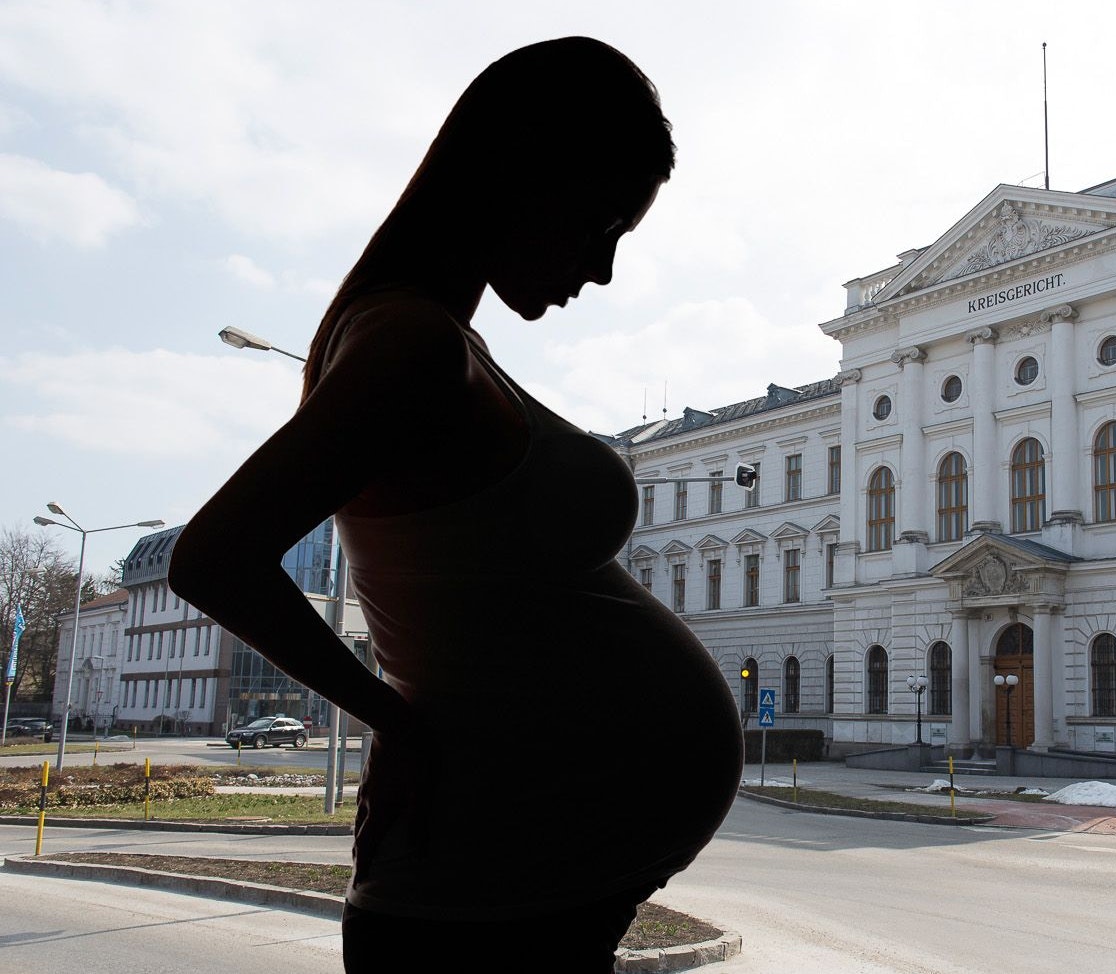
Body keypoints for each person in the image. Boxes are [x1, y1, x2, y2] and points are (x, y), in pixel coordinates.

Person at [169, 38, 743, 971]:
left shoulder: (433, 336)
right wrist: (395, 720)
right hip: (480, 889)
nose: (599, 270)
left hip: (508, 879)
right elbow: (213, 558)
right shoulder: (409, 344)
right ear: (522, 170)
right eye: (600, 221)